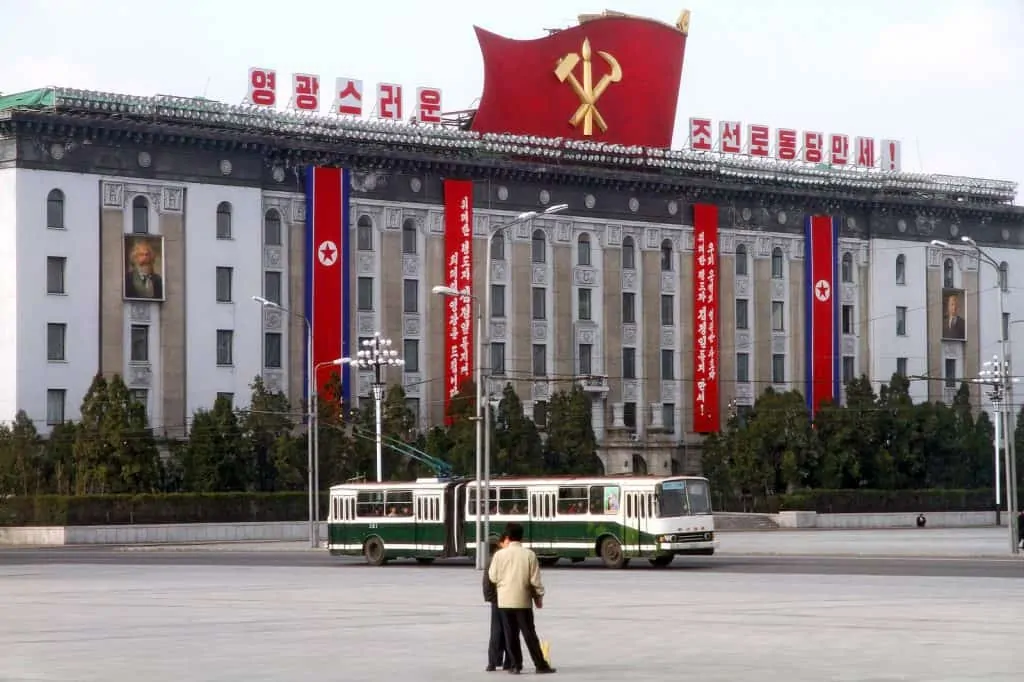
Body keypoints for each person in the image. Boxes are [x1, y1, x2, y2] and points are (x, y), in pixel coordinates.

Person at [488, 522, 556, 675]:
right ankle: (540, 665)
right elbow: (535, 581)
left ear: (508, 537)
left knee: (510, 634)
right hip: (522, 600)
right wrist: (539, 597)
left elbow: (492, 576)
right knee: (529, 634)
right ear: (521, 537)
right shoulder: (529, 555)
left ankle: (515, 665)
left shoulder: (499, 555)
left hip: (504, 601)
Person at [483, 534, 513, 672]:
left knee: (496, 630)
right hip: (508, 599)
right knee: (509, 630)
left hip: (496, 600)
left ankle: (492, 662)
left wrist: (490, 597)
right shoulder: (504, 558)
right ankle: (509, 661)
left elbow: (486, 582)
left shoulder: (490, 560)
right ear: (499, 545)